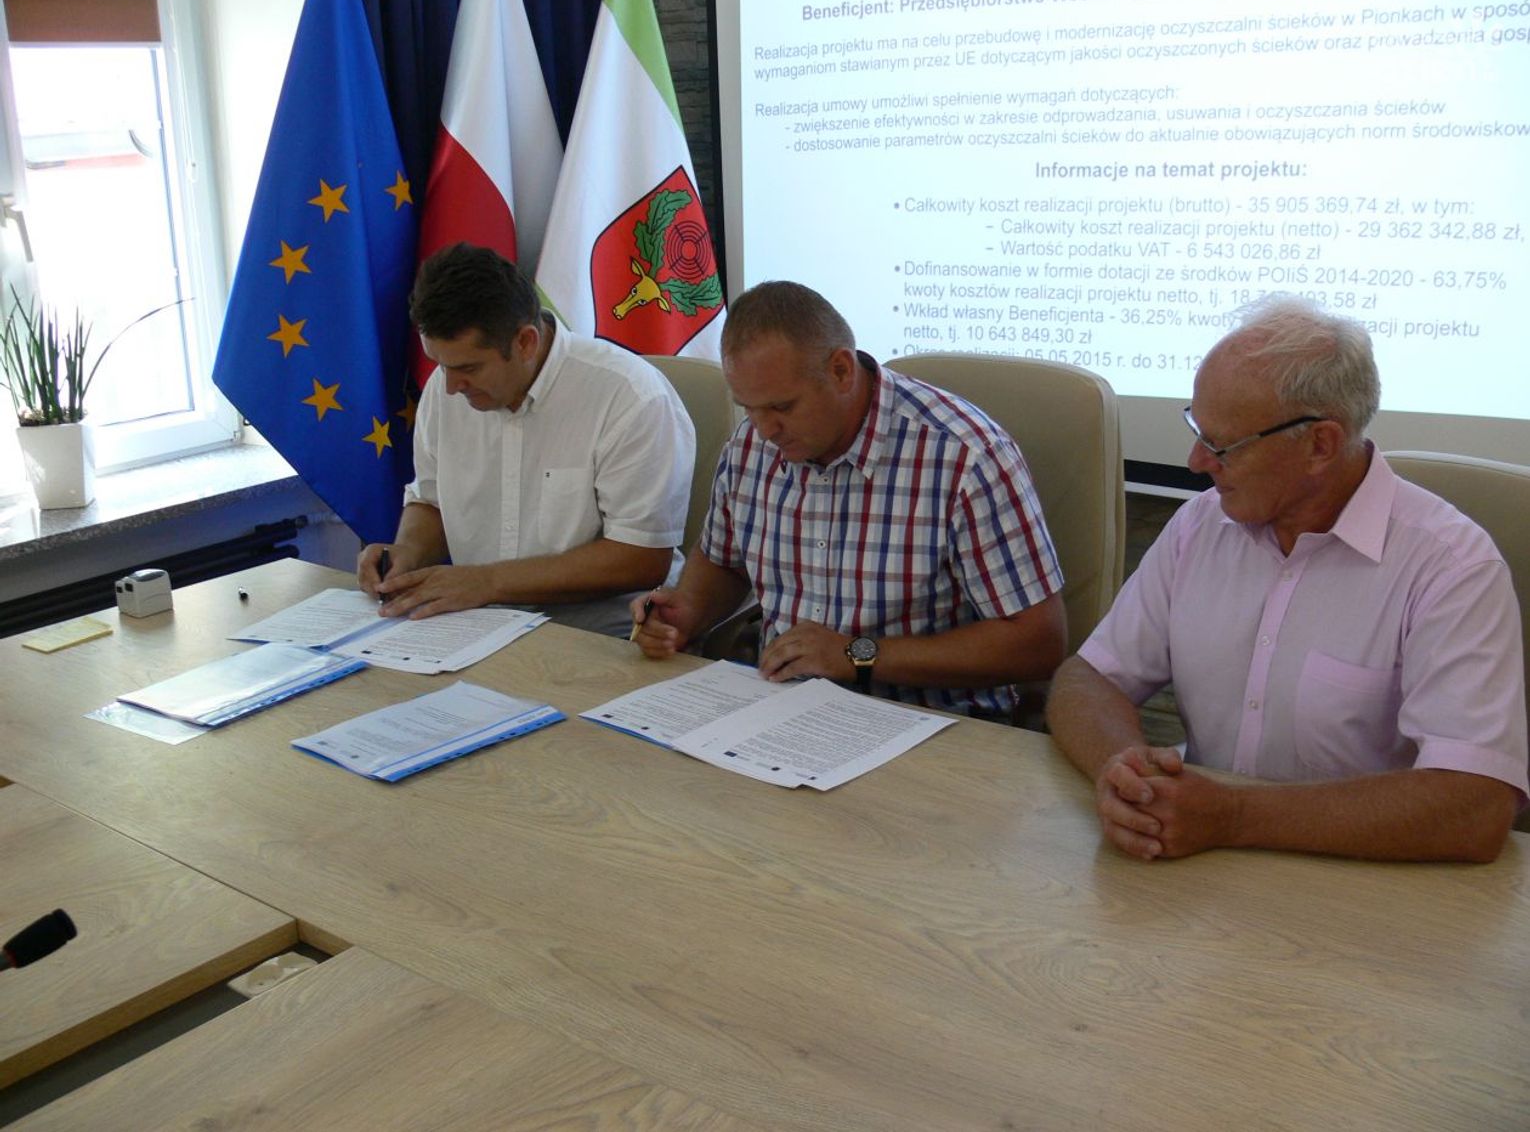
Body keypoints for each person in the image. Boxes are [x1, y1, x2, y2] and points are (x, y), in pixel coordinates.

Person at [1047, 295, 1527, 863]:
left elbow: (1475, 806)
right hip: (1196, 865)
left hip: (1365, 884)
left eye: (1222, 445)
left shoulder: (1451, 567)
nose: (1196, 461)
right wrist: (1124, 773)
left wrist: (1233, 816)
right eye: (1196, 428)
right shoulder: (1200, 526)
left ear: (1320, 444)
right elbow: (1088, 679)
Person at [630, 280, 1067, 719]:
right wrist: (686, 613)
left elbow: (1038, 643)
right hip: (779, 709)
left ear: (841, 370)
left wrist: (856, 654)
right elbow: (725, 562)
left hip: (929, 718)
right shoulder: (751, 445)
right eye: (749, 407)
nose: (764, 430)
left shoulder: (965, 457)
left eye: (782, 407)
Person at [357, 243, 695, 636]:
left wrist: (488, 582)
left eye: (468, 368)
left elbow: (641, 558)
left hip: (603, 637)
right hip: (478, 628)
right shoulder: (446, 387)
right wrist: (406, 554)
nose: (450, 387)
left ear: (525, 342)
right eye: (440, 365)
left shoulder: (630, 397)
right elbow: (432, 501)